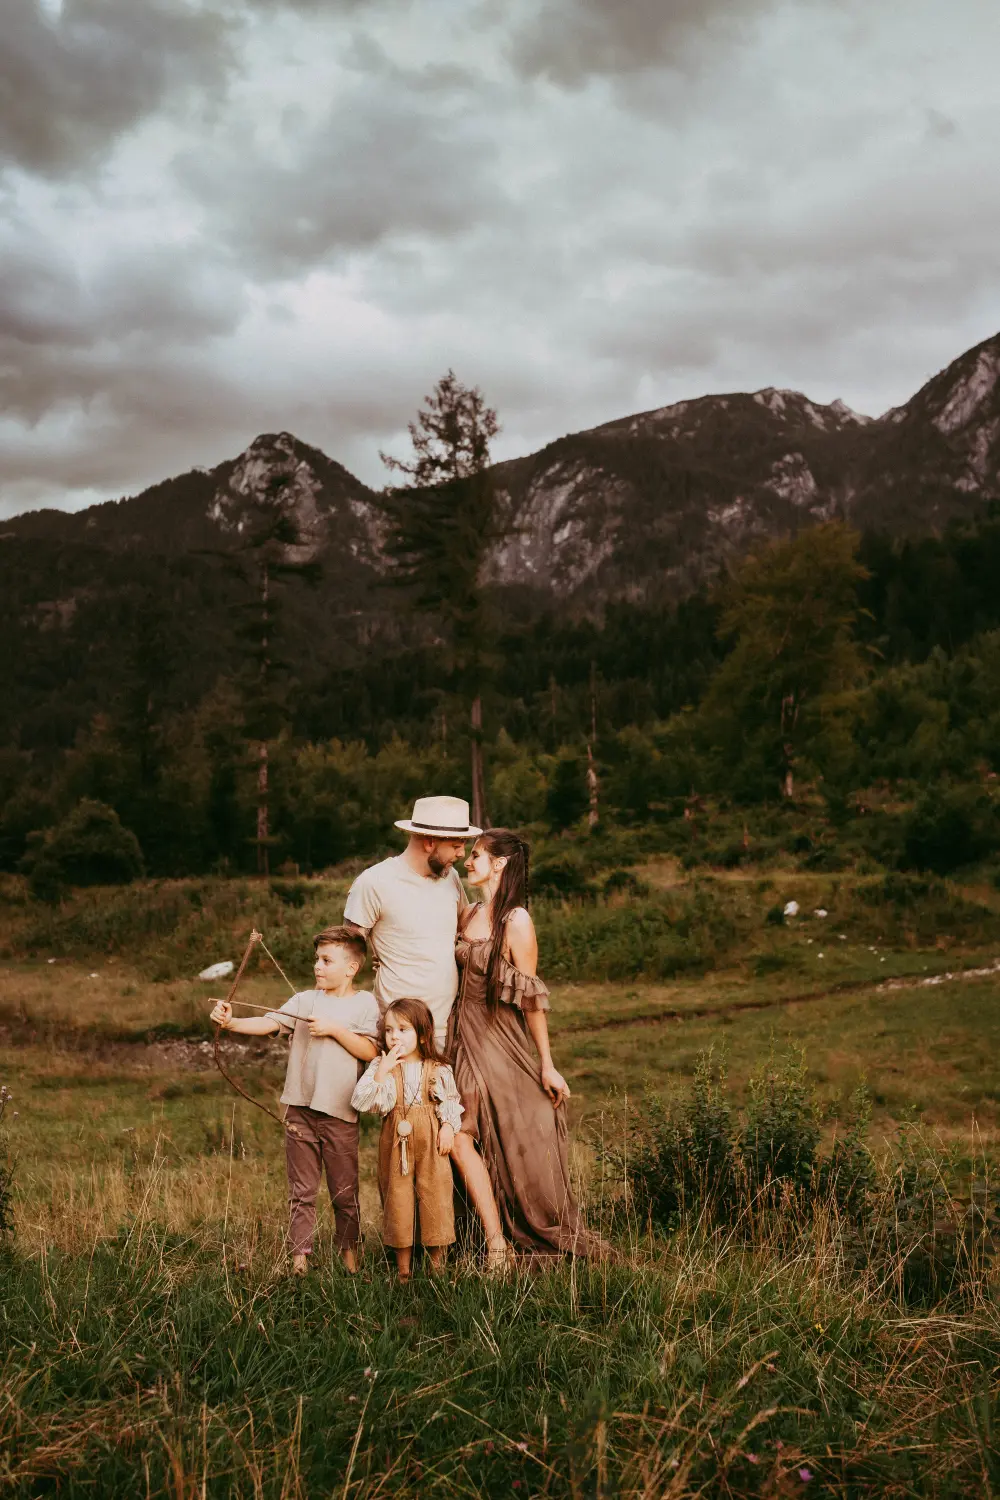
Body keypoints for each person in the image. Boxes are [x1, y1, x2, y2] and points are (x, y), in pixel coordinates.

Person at [449, 828, 600, 1265]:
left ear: (499, 864)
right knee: (459, 1133)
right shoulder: (468, 913)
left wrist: (547, 1064)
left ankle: (509, 1240)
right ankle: (479, 1237)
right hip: (462, 1034)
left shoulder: (516, 921)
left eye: (476, 856)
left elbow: (531, 1000)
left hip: (499, 1036)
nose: (468, 862)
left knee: (497, 1131)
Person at [209, 925, 379, 1275]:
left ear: (351, 968)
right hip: (300, 1111)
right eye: (316, 959)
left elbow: (370, 1049)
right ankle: (299, 1260)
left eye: (327, 960)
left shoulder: (365, 1004)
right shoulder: (304, 999)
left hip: (340, 1114)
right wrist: (231, 1022)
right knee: (302, 1191)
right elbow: (269, 1023)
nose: (317, 966)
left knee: (344, 1193)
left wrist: (334, 1029)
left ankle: (350, 1261)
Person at [343, 795, 479, 1050]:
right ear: (429, 842)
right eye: (457, 845)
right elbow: (345, 956)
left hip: (450, 1029)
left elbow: (464, 933)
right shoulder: (374, 882)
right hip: (399, 1033)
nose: (462, 854)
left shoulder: (451, 879)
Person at [351, 998, 463, 1281]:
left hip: (431, 1140)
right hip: (395, 1144)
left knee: (435, 1195)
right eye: (389, 1030)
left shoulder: (437, 1068)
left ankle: (437, 1267)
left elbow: (449, 1099)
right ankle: (403, 1270)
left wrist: (448, 1125)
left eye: (403, 1029)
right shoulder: (383, 1066)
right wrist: (382, 1069)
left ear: (422, 1035)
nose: (394, 1037)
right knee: (398, 1197)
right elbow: (363, 1101)